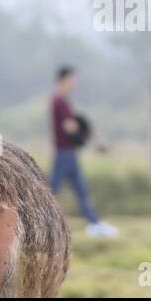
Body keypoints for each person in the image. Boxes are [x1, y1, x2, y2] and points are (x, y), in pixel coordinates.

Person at [49, 66, 118, 238]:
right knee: (51, 191)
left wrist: (89, 136)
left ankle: (94, 224)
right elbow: (69, 127)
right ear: (64, 80)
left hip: (69, 153)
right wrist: (90, 139)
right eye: (72, 81)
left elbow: (75, 125)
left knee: (80, 190)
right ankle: (37, 222)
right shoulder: (58, 101)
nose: (74, 84)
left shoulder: (63, 101)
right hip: (64, 154)